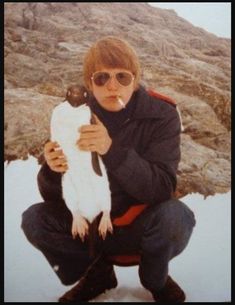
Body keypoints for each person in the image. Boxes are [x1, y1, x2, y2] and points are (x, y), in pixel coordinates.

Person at [21, 36, 196, 302]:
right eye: (101, 78)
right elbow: (55, 197)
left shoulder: (162, 114)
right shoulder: (71, 114)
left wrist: (111, 150)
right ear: (89, 83)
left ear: (135, 81)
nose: (112, 85)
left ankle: (156, 280)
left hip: (141, 226)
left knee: (176, 217)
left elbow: (162, 188)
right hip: (90, 228)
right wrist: (53, 170)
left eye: (122, 77)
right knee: (35, 220)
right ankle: (96, 274)